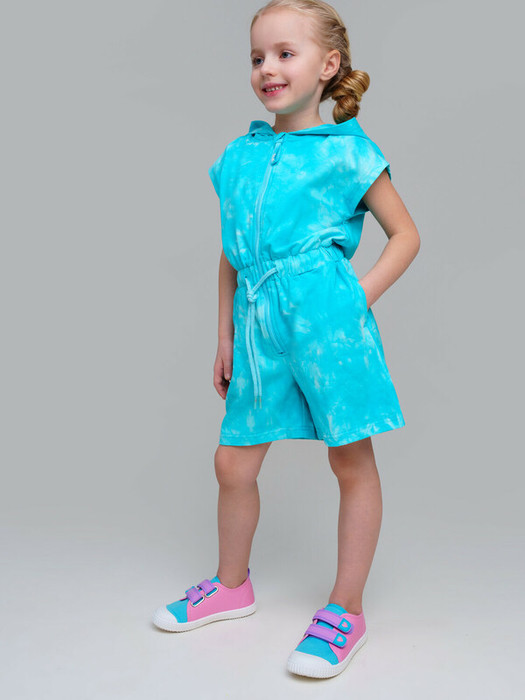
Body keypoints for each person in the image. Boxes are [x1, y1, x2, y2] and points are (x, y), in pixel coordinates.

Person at [152, 0, 420, 680]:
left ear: (328, 65)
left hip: (327, 329)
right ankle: (231, 586)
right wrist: (223, 335)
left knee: (350, 459)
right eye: (257, 57)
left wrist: (352, 302)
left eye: (284, 53)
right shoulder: (238, 157)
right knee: (233, 463)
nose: (267, 68)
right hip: (256, 328)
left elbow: (405, 235)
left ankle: (346, 609)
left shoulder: (348, 152)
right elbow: (231, 253)